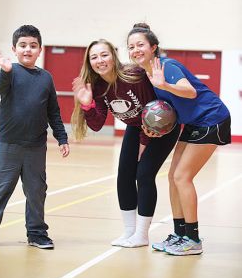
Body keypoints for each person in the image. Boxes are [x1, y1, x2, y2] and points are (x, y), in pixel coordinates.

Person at [127, 22, 231, 255]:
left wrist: (164, 84)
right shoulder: (147, 73)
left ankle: (193, 240)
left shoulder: (166, 66)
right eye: (131, 47)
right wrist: (155, 128)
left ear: (153, 47)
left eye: (140, 44)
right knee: (173, 178)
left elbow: (189, 92)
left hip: (212, 118)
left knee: (182, 177)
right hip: (194, 122)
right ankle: (180, 234)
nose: (135, 50)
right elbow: (170, 108)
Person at [71, 39, 180, 248]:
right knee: (124, 176)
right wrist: (87, 105)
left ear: (113, 55)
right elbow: (96, 124)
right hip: (136, 126)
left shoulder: (134, 75)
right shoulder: (98, 86)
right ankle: (129, 232)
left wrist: (144, 145)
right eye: (94, 57)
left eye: (104, 55)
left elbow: (154, 109)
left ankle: (142, 234)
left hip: (161, 127)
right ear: (89, 62)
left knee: (144, 174)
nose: (100, 60)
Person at [0, 25, 70, 250]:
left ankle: (37, 233)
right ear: (14, 49)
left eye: (33, 45)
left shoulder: (46, 78)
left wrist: (62, 137)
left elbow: (53, 112)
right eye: (23, 45)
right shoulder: (10, 72)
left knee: (36, 191)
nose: (28, 49)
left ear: (39, 50)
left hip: (35, 147)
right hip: (7, 145)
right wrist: (5, 70)